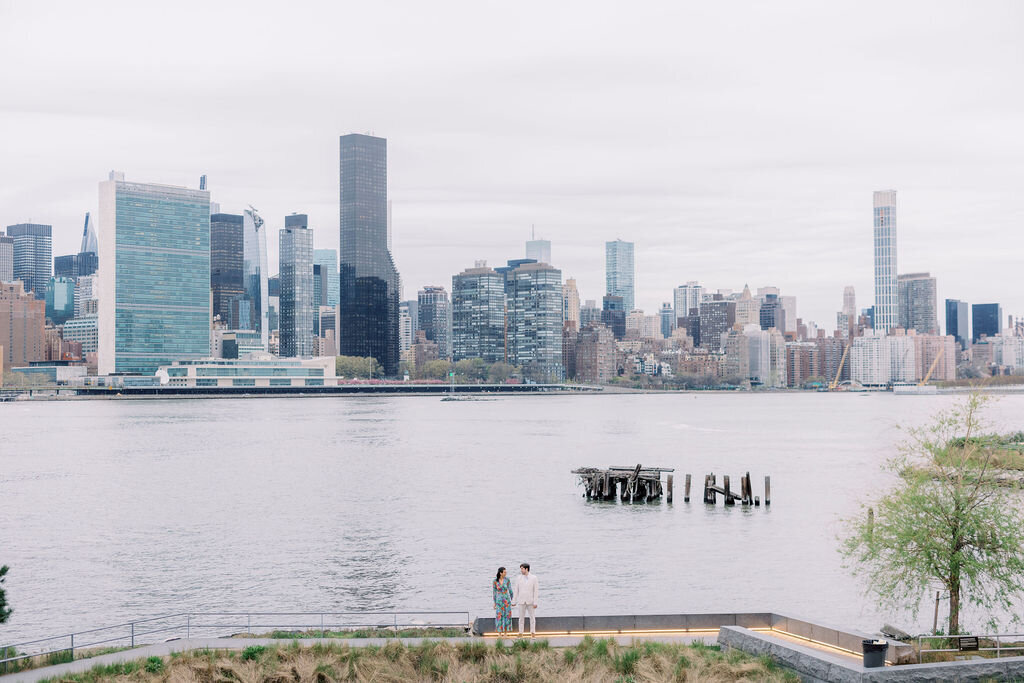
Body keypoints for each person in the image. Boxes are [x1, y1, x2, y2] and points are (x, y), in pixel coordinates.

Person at [512, 562, 539, 637]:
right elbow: (516, 590)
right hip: (521, 600)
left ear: (526, 569)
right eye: (521, 569)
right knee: (521, 618)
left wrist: (535, 602)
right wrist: (514, 601)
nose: (521, 570)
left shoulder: (534, 578)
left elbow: (536, 591)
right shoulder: (518, 578)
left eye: (522, 569)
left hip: (530, 600)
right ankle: (520, 632)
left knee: (532, 617)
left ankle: (533, 632)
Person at [492, 566, 514, 635]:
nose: (506, 573)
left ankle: (505, 633)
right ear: (501, 573)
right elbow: (494, 592)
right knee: (499, 615)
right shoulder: (495, 581)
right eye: (504, 572)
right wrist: (494, 603)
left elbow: (510, 590)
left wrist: (513, 600)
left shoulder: (507, 580)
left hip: (506, 600)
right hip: (499, 601)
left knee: (507, 615)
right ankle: (499, 633)